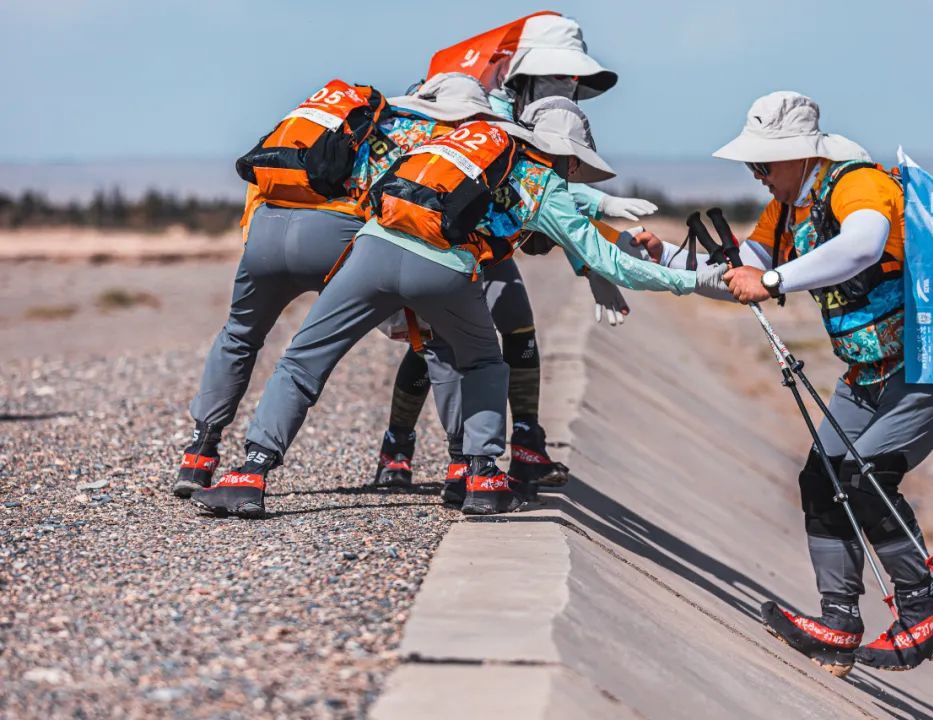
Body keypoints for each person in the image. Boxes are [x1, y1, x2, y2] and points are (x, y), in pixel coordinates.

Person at [189, 96, 727, 519]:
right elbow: (613, 262)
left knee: (303, 359)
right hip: (443, 271)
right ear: (569, 157)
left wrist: (602, 203)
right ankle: (482, 478)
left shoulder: (464, 140)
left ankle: (249, 473)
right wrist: (689, 278)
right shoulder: (545, 184)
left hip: (373, 249)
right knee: (483, 361)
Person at [652, 91, 933, 675]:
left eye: (764, 164)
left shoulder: (857, 184)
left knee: (869, 473)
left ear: (800, 156)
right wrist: (654, 261)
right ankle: (838, 623)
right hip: (868, 371)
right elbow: (736, 273)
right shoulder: (790, 210)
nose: (757, 176)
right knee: (822, 477)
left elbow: (862, 245)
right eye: (753, 166)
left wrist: (774, 279)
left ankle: (923, 617)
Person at [171, 73, 505, 498]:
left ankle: (201, 454)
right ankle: (463, 466)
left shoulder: (358, 119)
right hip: (339, 236)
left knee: (240, 335)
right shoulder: (443, 140)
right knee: (438, 344)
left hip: (266, 231)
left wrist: (254, 241)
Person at [372, 13, 660, 494]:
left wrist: (590, 263)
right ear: (524, 76)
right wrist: (594, 249)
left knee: (517, 324)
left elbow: (554, 201)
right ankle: (402, 448)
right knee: (435, 343)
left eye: (573, 80)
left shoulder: (538, 116)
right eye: (559, 77)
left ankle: (525, 444)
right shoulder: (488, 109)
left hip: (486, 244)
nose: (567, 88)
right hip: (446, 239)